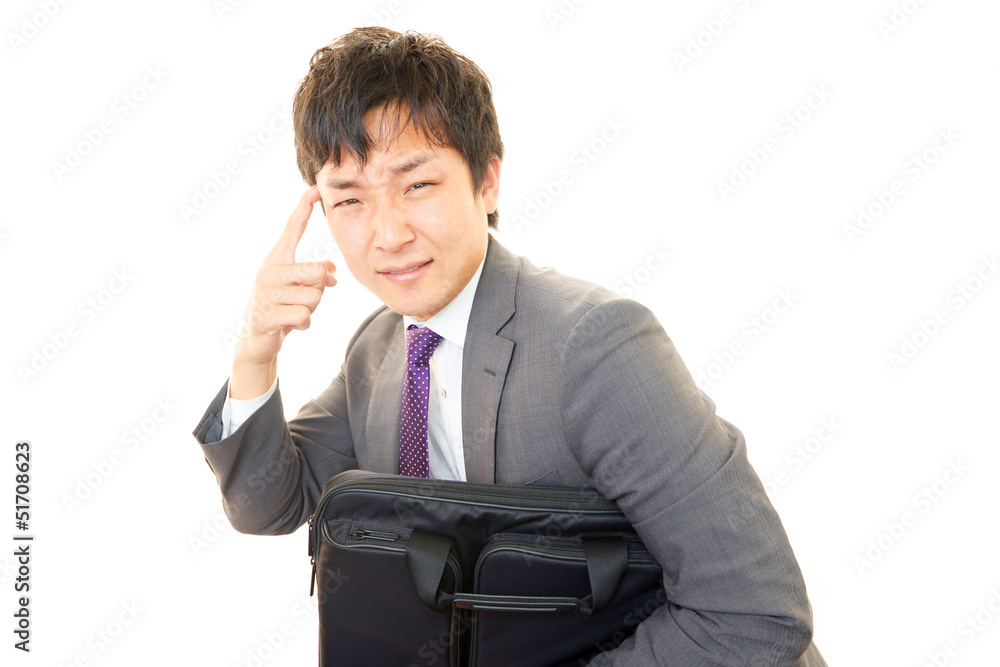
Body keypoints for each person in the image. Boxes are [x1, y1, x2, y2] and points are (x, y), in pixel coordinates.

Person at [193, 26, 826, 665]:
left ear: (487, 180)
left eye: (417, 185)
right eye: (350, 199)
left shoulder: (595, 346)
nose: (387, 234)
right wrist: (255, 350)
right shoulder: (380, 349)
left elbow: (754, 613)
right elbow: (268, 505)